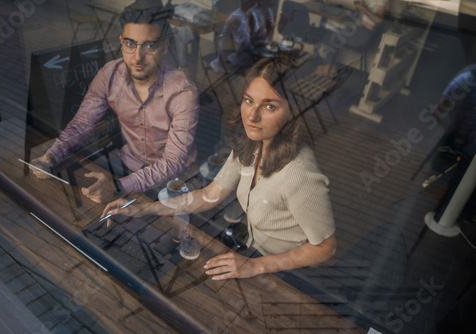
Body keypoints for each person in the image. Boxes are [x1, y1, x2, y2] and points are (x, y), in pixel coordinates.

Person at [102, 56, 337, 280]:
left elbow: (325, 248)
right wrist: (143, 208)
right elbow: (209, 195)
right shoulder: (252, 144)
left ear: (293, 111)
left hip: (290, 273)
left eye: (269, 106)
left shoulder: (299, 173)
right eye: (249, 101)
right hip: (254, 254)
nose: (252, 116)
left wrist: (256, 266)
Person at [30, 0, 200, 203]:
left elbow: (173, 162)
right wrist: (51, 156)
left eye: (149, 45)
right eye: (130, 44)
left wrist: (118, 186)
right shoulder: (109, 75)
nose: (137, 57)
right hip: (128, 164)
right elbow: (82, 124)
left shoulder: (183, 92)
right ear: (121, 42)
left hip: (175, 179)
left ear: (164, 47)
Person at [315, 0, 388, 77]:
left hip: (364, 36)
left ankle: (330, 67)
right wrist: (360, 5)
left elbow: (379, 20)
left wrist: (363, 9)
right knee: (332, 32)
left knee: (331, 35)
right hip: (361, 30)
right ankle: (331, 67)